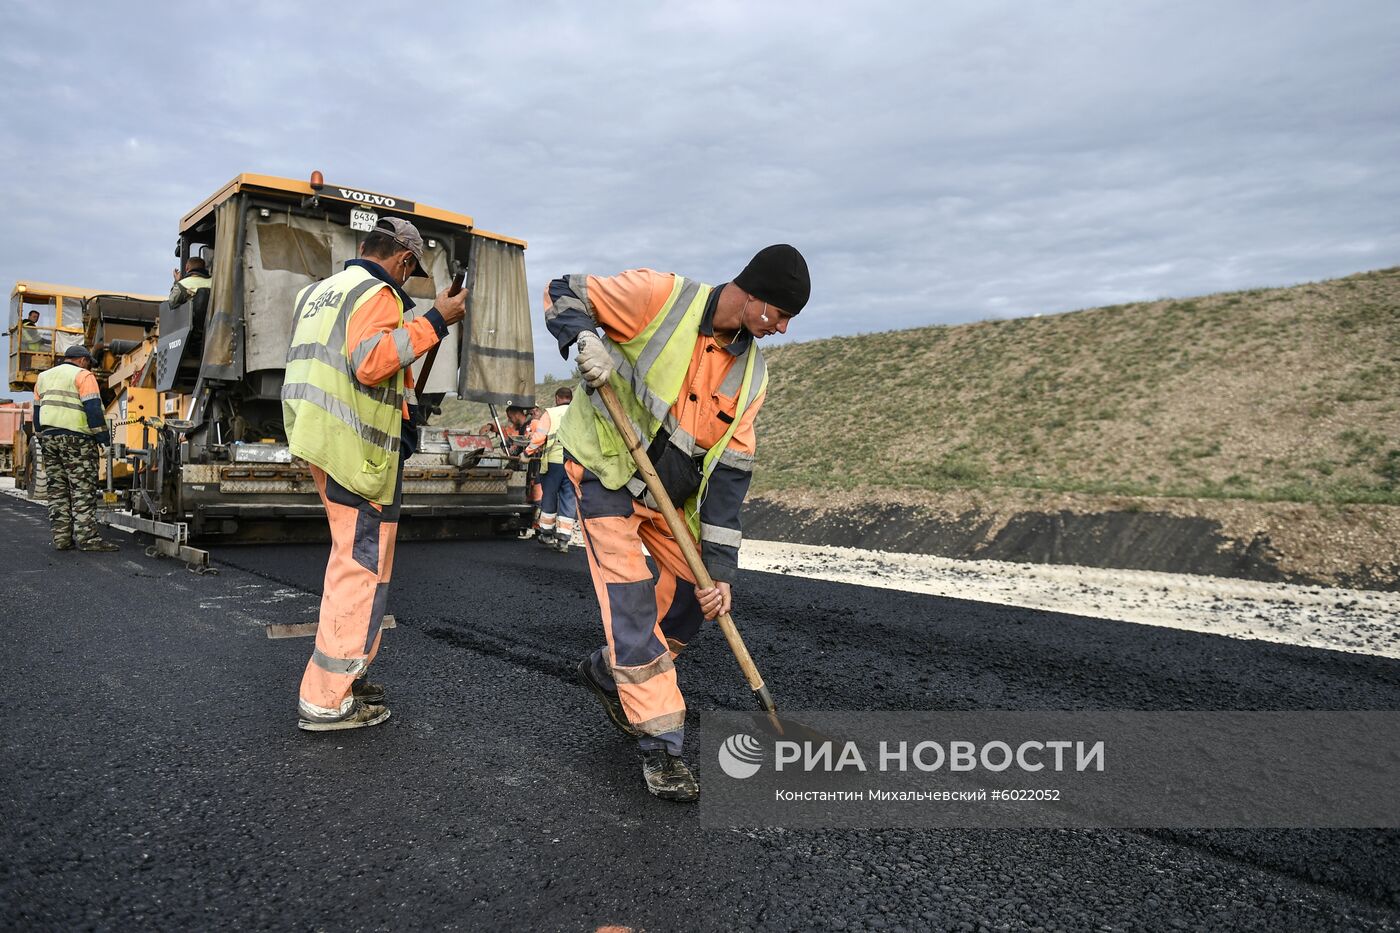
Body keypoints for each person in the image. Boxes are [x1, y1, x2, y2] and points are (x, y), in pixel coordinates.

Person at [545, 244, 809, 801]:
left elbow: (730, 476)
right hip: (605, 471)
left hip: (666, 496)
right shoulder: (660, 298)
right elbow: (562, 290)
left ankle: (606, 668)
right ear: (754, 297)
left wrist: (719, 570)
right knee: (633, 603)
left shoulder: (751, 376)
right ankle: (662, 747)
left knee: (697, 594)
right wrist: (584, 338)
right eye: (780, 316)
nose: (782, 329)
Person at [282, 217, 467, 732]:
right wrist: (436, 319)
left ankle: (350, 672)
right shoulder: (379, 293)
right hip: (358, 450)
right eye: (411, 272)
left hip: (322, 440)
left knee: (359, 560)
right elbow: (370, 363)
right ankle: (326, 699)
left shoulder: (320, 293)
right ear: (404, 261)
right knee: (360, 568)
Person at [32, 345, 118, 551]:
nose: (90, 367)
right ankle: (88, 540)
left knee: (57, 491)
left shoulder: (43, 377)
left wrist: (42, 437)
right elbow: (93, 411)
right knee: (82, 490)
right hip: (77, 441)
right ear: (82, 360)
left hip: (50, 439)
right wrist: (104, 441)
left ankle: (61, 539)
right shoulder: (83, 376)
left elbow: (37, 412)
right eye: (89, 362)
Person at [523, 387, 577, 553]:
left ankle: (546, 535)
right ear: (571, 398)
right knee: (569, 499)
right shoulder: (579, 413)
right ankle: (563, 541)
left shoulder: (551, 414)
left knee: (549, 496)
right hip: (573, 463)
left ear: (557, 398)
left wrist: (526, 453)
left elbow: (539, 437)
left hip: (554, 463)